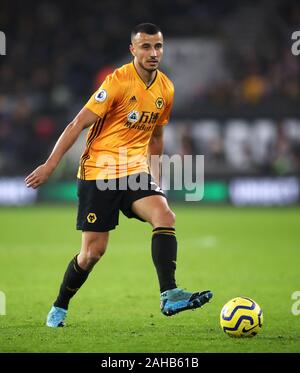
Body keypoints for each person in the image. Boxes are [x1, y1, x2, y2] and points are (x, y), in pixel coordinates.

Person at [25, 23, 213, 328]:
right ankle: (60, 305)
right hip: (99, 172)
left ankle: (170, 294)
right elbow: (76, 124)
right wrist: (50, 165)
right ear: (133, 50)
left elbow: (156, 136)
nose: (153, 53)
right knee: (92, 253)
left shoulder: (166, 88)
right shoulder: (117, 82)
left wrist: (157, 180)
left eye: (158, 47)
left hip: (134, 172)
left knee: (165, 215)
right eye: (146, 47)